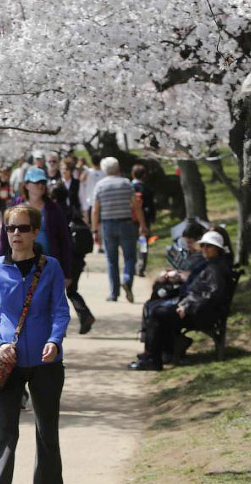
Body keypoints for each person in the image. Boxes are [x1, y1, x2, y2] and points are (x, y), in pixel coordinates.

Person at [0, 205, 71, 484]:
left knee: (46, 427)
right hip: (8, 363)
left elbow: (61, 309)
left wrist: (55, 339)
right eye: (10, 229)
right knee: (6, 431)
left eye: (22, 228)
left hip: (47, 361)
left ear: (35, 232)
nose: (15, 234)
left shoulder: (51, 267)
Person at [128, 230, 234, 371]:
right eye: (203, 246)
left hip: (201, 313)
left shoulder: (216, 269)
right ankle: (158, 353)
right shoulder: (212, 264)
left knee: (158, 313)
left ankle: (154, 359)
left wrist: (187, 305)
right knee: (155, 307)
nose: (204, 249)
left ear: (218, 249)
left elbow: (211, 295)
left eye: (209, 246)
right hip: (196, 308)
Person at [92, 157, 148, 302]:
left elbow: (95, 211)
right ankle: (127, 280)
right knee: (130, 256)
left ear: (104, 170)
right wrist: (142, 224)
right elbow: (136, 206)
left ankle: (113, 293)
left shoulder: (100, 186)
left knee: (112, 260)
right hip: (126, 224)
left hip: (108, 225)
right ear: (117, 168)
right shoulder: (126, 183)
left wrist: (94, 230)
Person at [49, 182, 96, 334]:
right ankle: (85, 315)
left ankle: (61, 327)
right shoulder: (72, 212)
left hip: (65, 259)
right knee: (71, 290)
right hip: (77, 258)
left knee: (57, 294)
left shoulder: (54, 213)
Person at [132, 164, 157, 276]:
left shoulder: (128, 188)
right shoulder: (147, 189)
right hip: (144, 221)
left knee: (131, 243)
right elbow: (151, 206)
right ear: (144, 175)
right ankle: (141, 266)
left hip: (131, 220)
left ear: (133, 174)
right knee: (142, 243)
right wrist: (152, 218)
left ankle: (131, 265)